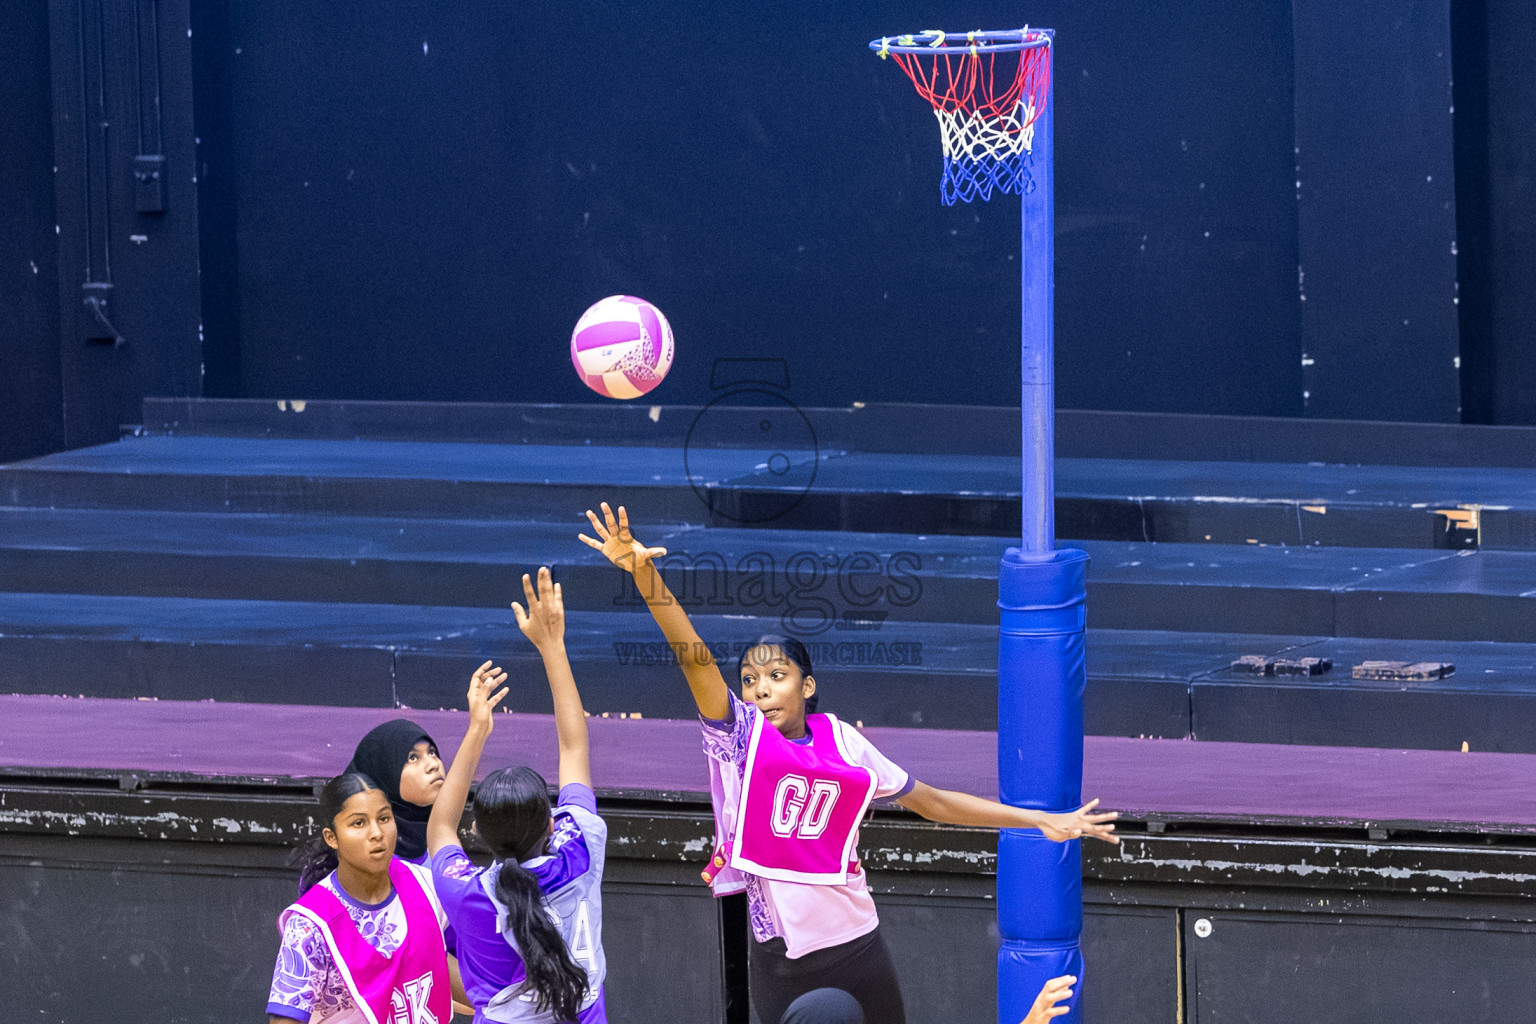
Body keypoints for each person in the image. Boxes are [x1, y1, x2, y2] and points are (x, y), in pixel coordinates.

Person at [581, 503, 1118, 1024]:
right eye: (750, 680)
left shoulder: (843, 741)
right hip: (781, 959)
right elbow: (692, 655)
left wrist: (1040, 820)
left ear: (807, 686)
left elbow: (931, 802)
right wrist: (644, 574)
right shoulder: (739, 737)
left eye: (777, 675)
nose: (762, 690)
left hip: (859, 944)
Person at [428, 567, 609, 1023]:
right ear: (551, 824)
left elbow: (440, 826)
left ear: (481, 835)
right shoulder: (581, 848)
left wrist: (476, 730)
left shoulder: (467, 892)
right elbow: (574, 746)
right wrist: (552, 646)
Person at [267, 772, 463, 1024]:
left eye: (384, 818)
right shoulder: (310, 927)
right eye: (358, 823)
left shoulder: (425, 884)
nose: (376, 833)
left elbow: (437, 963)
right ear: (331, 837)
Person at [346, 718, 446, 865]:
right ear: (384, 772)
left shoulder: (445, 836)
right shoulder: (354, 862)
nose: (433, 764)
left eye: (432, 753)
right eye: (413, 757)